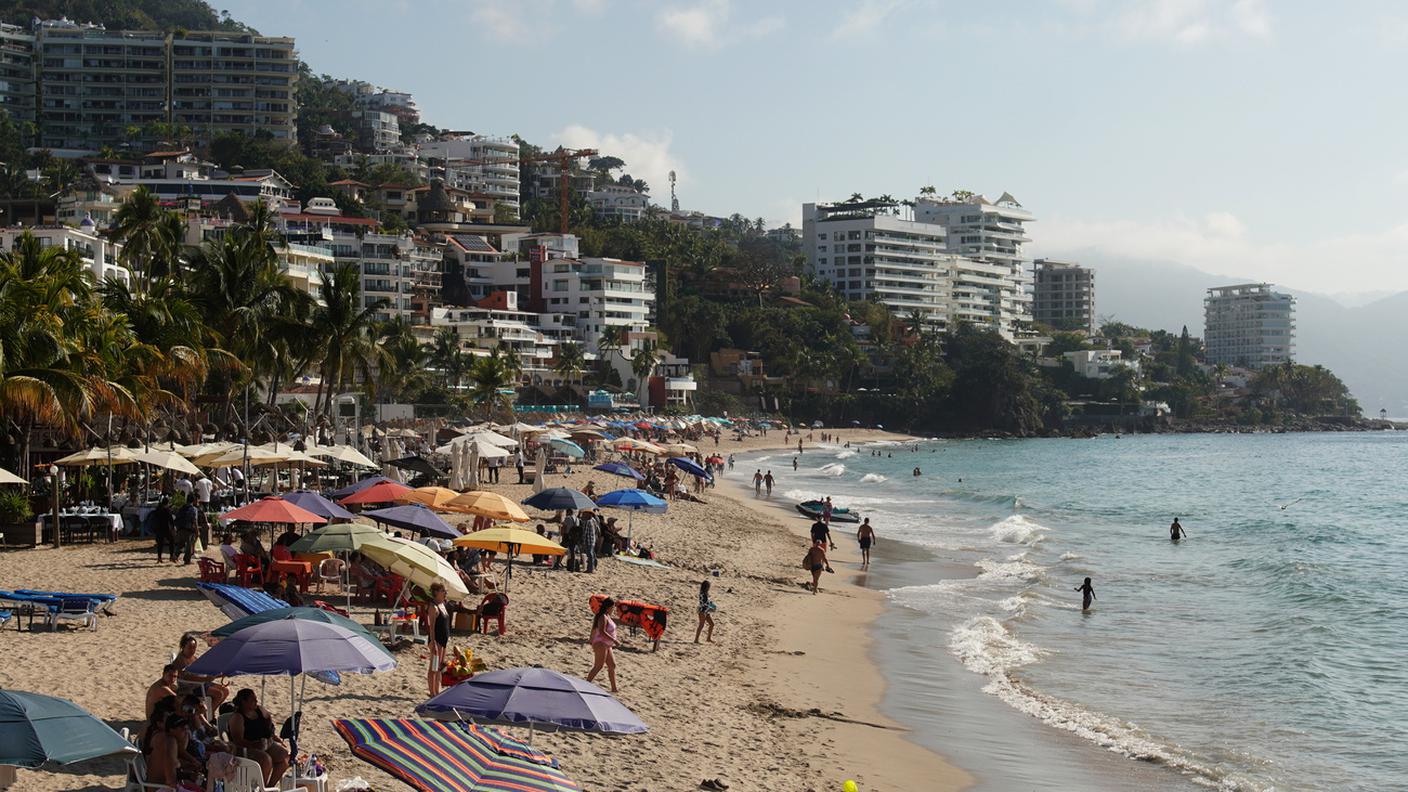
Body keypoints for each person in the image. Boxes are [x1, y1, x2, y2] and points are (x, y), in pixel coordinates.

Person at [228, 688, 289, 786]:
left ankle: (270, 786)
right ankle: (261, 787)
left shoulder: (259, 710)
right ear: (244, 702)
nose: (256, 701)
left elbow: (268, 719)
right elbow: (238, 740)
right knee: (266, 760)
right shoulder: (238, 717)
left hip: (263, 743)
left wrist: (271, 735)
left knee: (284, 755)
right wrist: (254, 744)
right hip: (245, 748)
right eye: (253, 700)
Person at [174, 634, 230, 710]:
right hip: (192, 687)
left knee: (226, 690)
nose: (192, 650)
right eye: (190, 648)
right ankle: (209, 713)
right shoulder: (180, 661)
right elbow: (185, 677)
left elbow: (202, 670)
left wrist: (219, 674)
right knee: (219, 694)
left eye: (194, 648)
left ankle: (210, 711)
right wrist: (205, 679)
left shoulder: (193, 657)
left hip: (202, 683)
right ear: (183, 647)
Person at [586, 597, 619, 692]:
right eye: (612, 607)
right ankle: (586, 683)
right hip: (601, 643)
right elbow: (602, 631)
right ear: (608, 607)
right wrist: (614, 640)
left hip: (607, 644)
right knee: (598, 666)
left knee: (612, 665)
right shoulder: (602, 617)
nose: (613, 609)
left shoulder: (607, 616)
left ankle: (614, 689)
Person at [427, 582, 450, 697]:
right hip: (437, 640)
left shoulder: (442, 604)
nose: (445, 593)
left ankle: (437, 691)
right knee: (433, 668)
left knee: (439, 667)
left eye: (445, 591)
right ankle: (432, 693)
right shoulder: (433, 607)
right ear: (436, 592)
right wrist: (433, 642)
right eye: (443, 591)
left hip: (443, 640)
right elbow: (431, 627)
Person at [174, 498, 199, 564]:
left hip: (180, 528)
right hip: (188, 529)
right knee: (189, 545)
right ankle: (187, 560)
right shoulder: (193, 509)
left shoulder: (181, 508)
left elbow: (177, 518)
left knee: (181, 544)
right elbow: (194, 520)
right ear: (193, 501)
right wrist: (197, 530)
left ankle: (175, 555)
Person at [150, 496, 175, 563]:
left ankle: (159, 557)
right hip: (166, 528)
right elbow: (171, 520)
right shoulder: (167, 510)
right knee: (172, 541)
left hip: (158, 528)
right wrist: (173, 527)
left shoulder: (157, 509)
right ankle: (171, 556)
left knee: (160, 544)